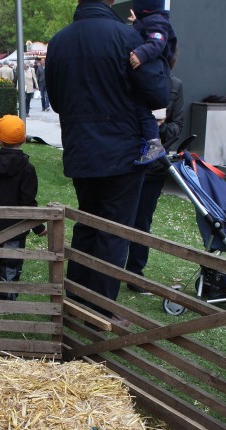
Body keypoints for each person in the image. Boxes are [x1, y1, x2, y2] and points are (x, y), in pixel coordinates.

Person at [46, 0, 169, 313]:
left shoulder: (59, 41)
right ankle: (99, 312)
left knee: (87, 223)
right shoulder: (127, 37)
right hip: (122, 151)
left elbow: (56, 100)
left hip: (81, 148)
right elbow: (159, 94)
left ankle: (75, 302)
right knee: (113, 231)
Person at [126, 72, 184, 290]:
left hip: (154, 167)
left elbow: (177, 127)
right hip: (126, 162)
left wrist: (158, 125)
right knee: (117, 218)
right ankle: (108, 271)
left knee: (142, 220)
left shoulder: (175, 85)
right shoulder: (131, 78)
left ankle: (135, 274)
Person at [0, 115, 44, 301]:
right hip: (17, 227)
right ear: (23, 139)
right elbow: (28, 202)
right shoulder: (27, 168)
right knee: (11, 261)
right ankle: (7, 297)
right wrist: (38, 227)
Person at [127, 0, 177, 165]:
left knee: (142, 110)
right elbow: (146, 32)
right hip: (151, 75)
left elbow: (157, 42)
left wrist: (141, 54)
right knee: (140, 109)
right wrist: (137, 23)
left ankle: (154, 143)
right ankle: (151, 142)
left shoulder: (158, 20)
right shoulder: (151, 20)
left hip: (155, 76)